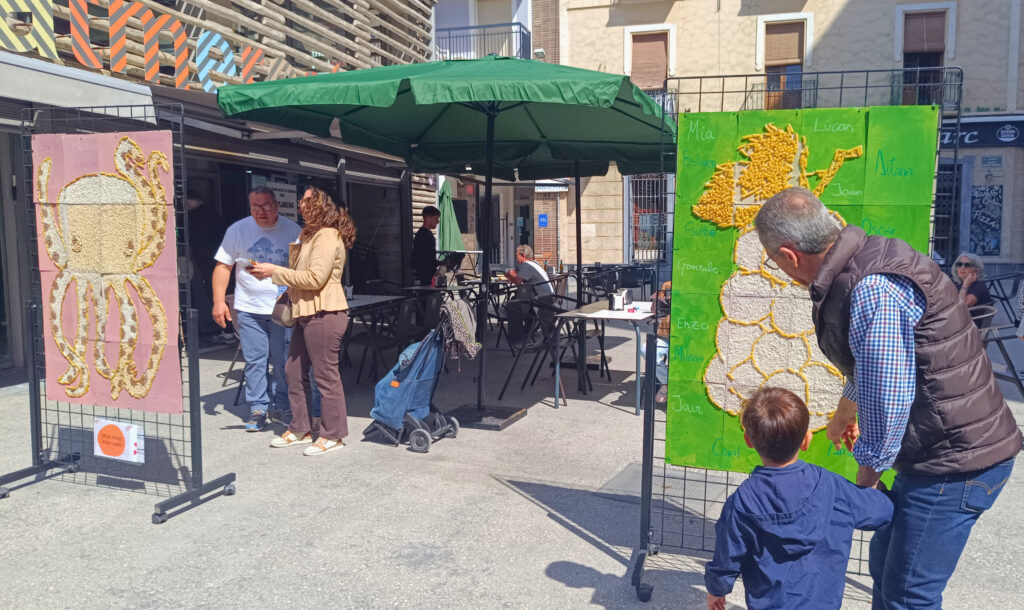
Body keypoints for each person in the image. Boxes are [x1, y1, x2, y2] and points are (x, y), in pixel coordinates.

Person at [754, 186, 1021, 608]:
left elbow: (889, 394)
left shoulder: (871, 288)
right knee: (885, 568)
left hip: (957, 461)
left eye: (774, 262)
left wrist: (868, 477)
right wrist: (846, 409)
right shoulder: (863, 261)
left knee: (908, 593)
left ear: (789, 255)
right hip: (939, 451)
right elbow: (873, 361)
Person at [705, 387, 892, 610]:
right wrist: (878, 485)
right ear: (806, 440)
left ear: (748, 440)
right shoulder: (832, 485)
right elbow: (883, 511)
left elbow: (727, 554)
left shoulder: (742, 501)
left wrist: (717, 589)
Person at [251, 187, 356, 456]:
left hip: (325, 312)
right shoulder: (310, 235)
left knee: (325, 376)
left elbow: (315, 278)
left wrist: (274, 271)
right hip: (305, 312)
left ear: (323, 203)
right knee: (293, 372)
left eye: (308, 200)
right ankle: (301, 428)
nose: (301, 204)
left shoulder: (328, 235)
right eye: (302, 200)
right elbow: (299, 273)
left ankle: (333, 435)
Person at [212, 186, 300, 431]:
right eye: (255, 207)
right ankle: (258, 407)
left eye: (266, 206)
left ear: (276, 206)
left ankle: (282, 405)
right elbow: (223, 266)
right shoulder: (237, 230)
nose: (261, 211)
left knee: (283, 360)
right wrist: (219, 301)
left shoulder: (293, 230)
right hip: (249, 308)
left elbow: (302, 270)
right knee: (255, 360)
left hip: (282, 308)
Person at [505, 244, 554, 344]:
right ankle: (528, 329)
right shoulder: (535, 263)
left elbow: (518, 282)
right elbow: (523, 279)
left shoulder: (525, 265)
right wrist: (515, 276)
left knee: (512, 304)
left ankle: (517, 338)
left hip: (540, 299)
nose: (516, 258)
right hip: (548, 296)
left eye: (517, 256)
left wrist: (510, 275)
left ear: (523, 256)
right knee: (519, 300)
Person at [641, 280, 670, 403]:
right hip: (665, 337)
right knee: (646, 348)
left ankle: (669, 385)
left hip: (686, 339)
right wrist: (662, 291)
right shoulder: (668, 288)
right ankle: (667, 383)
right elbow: (653, 311)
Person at [412, 205, 440, 286]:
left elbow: (429, 257)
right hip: (424, 278)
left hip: (427, 276)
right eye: (436, 218)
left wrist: (440, 263)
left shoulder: (427, 234)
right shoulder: (422, 236)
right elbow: (422, 260)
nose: (438, 221)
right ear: (428, 218)